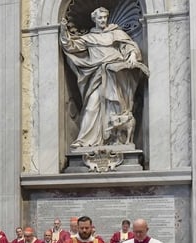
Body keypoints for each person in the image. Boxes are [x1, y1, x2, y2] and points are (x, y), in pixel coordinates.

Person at [59, 7, 149, 148]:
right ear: (94, 19)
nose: (103, 20)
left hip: (116, 74)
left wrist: (132, 55)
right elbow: (70, 46)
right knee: (91, 106)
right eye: (100, 18)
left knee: (116, 106)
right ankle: (86, 141)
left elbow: (129, 46)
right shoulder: (88, 38)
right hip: (97, 76)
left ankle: (117, 140)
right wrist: (64, 30)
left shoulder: (116, 33)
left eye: (105, 17)